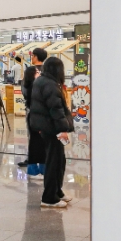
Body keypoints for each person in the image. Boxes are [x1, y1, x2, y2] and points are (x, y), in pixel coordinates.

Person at [29, 56, 74, 208]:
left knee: (59, 161)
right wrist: (62, 129)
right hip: (52, 129)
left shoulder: (41, 81)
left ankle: (57, 191)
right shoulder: (50, 85)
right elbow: (56, 110)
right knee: (54, 163)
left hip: (46, 127)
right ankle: (49, 198)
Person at [18, 47, 48, 178]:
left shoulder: (30, 71)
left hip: (32, 108)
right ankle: (44, 166)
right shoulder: (47, 70)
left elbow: (24, 90)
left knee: (33, 137)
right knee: (45, 138)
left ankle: (32, 165)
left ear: (35, 57)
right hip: (46, 110)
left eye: (32, 55)